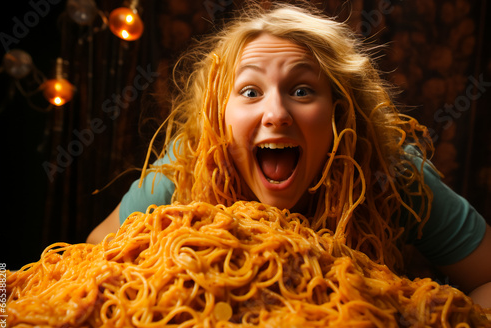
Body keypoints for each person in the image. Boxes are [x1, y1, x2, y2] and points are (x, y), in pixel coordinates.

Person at [87, 3, 491, 307]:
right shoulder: (187, 163)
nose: (277, 114)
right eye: (250, 92)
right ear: (218, 115)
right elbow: (97, 251)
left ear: (340, 109)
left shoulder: (395, 172)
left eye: (302, 91)